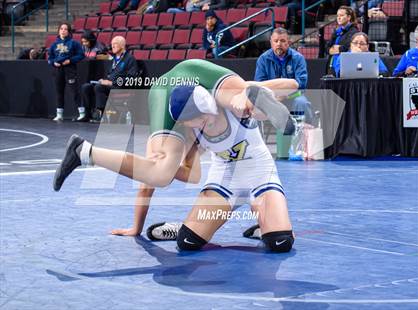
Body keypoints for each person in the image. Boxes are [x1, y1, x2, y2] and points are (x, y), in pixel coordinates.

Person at [53, 60, 299, 251]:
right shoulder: (186, 129)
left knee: (280, 243)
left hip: (259, 174)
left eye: (202, 119)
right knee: (187, 240)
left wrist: (251, 90)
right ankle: (85, 152)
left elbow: (294, 84)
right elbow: (185, 176)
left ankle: (265, 224)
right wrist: (136, 227)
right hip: (224, 180)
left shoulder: (224, 100)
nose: (203, 124)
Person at [254, 27, 313, 123]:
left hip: (293, 97)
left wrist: (285, 96)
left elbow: (301, 84)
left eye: (282, 41)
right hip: (271, 98)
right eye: (276, 41)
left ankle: (302, 134)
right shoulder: (263, 59)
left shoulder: (298, 58)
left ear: (288, 42)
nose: (278, 44)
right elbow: (260, 84)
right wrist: (273, 97)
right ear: (271, 42)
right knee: (255, 106)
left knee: (301, 102)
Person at [80, 36, 138, 122]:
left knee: (99, 87)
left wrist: (111, 83)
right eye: (112, 44)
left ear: (122, 45)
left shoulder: (130, 59)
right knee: (86, 87)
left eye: (115, 44)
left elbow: (131, 79)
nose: (112, 46)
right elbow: (109, 75)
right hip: (109, 85)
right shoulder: (113, 59)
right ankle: (87, 115)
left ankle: (102, 115)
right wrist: (103, 81)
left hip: (120, 87)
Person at [48, 22, 85, 122]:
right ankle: (59, 115)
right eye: (61, 29)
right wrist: (53, 63)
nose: (63, 31)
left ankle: (82, 113)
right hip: (58, 70)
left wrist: (70, 60)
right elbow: (50, 58)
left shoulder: (74, 43)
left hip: (70, 69)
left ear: (68, 32)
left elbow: (81, 55)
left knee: (74, 91)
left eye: (65, 29)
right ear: (58, 31)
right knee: (59, 92)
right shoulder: (54, 44)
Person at [327, 5, 359, 74]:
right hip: (332, 64)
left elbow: (346, 47)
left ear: (348, 17)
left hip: (345, 65)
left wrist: (337, 48)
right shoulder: (337, 31)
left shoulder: (354, 31)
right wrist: (334, 49)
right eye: (338, 15)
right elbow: (327, 47)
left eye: (341, 15)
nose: (339, 17)